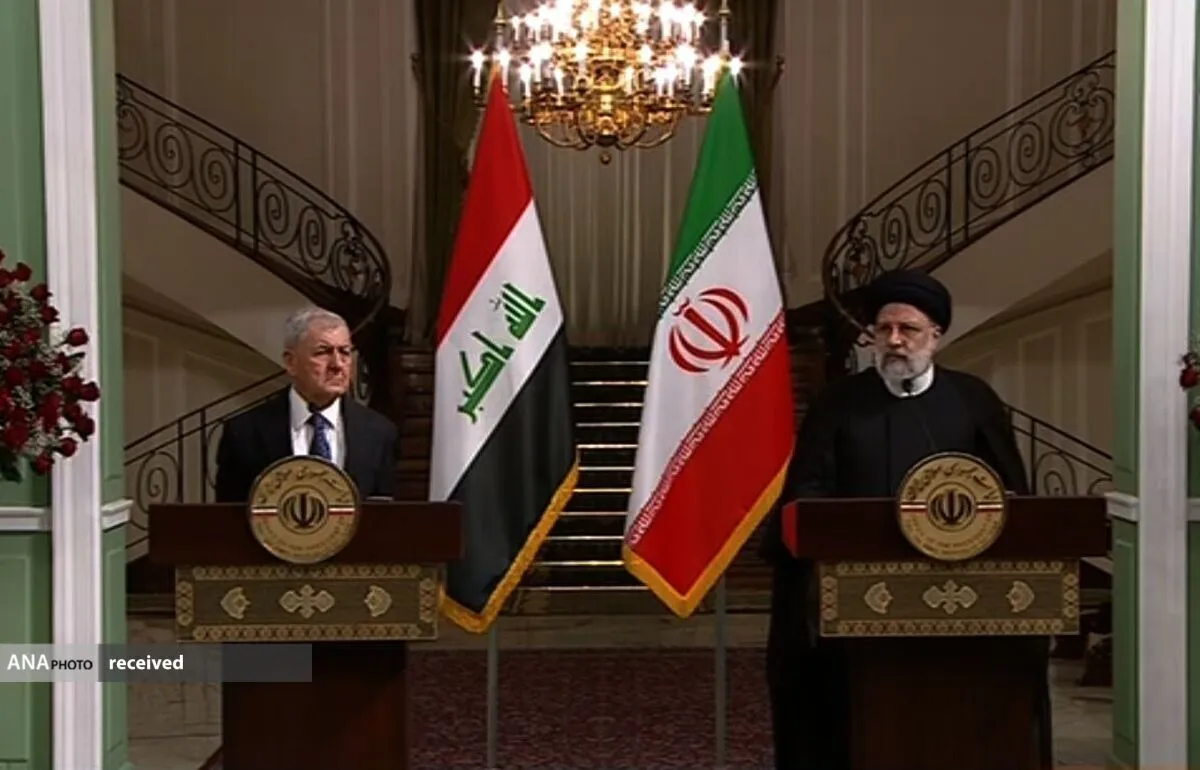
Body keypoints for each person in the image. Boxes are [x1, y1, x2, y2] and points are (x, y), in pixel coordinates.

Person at [759, 269, 1047, 769]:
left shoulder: (972, 399)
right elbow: (806, 493)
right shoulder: (838, 402)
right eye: (884, 329)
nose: (894, 340)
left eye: (908, 329)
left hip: (960, 597)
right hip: (858, 601)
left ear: (936, 335)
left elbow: (1011, 494)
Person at [214, 306, 397, 503]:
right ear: (291, 362)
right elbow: (227, 515)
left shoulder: (379, 433)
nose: (337, 364)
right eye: (323, 352)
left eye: (345, 352)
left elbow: (384, 514)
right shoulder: (244, 432)